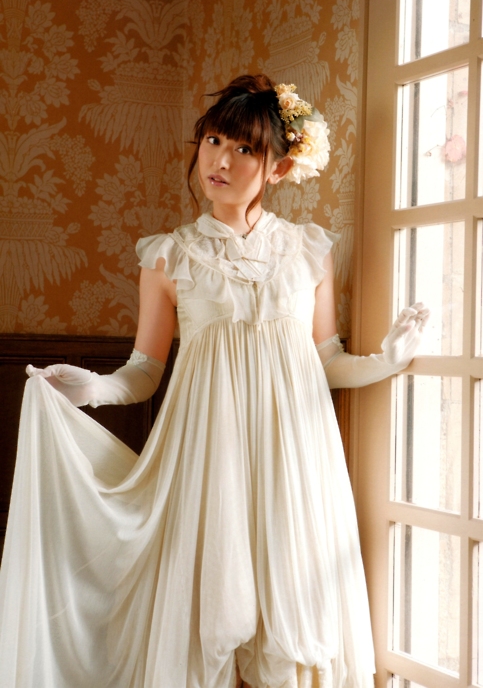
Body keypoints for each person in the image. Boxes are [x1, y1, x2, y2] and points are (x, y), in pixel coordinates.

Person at [0, 74, 429, 688]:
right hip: (207, 460)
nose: (220, 161)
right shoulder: (169, 256)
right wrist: (92, 388)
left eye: (244, 148)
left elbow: (327, 361)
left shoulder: (309, 250)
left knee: (293, 622)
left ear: (279, 169)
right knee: (208, 619)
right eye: (213, 141)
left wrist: (386, 360)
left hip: (294, 462)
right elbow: (145, 372)